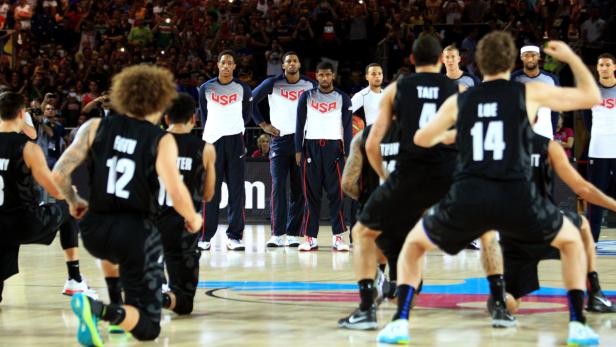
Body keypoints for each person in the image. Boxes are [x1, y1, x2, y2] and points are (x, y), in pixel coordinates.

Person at [377, 32, 601, 346]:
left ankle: (399, 322)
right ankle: (578, 324)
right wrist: (570, 57)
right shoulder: (529, 92)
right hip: (517, 196)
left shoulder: (460, 99)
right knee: (572, 241)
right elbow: (591, 97)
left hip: (469, 196)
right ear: (512, 62)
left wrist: (450, 136)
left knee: (413, 245)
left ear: (477, 64)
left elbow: (420, 140)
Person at [52, 65, 202, 345]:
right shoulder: (161, 139)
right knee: (148, 328)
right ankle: (101, 310)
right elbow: (176, 189)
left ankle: (116, 303)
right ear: (160, 100)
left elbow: (59, 173)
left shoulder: (94, 126)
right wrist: (193, 217)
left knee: (111, 253)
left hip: (94, 231)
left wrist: (73, 201)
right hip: (135, 234)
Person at [345, 35, 459, 329]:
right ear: (440, 61)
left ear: (411, 59)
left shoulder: (397, 88)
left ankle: (367, 310)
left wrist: (386, 178)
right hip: (446, 178)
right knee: (483, 235)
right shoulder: (454, 89)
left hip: (409, 176)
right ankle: (499, 300)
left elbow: (371, 143)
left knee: (362, 233)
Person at [482, 131, 616, 316]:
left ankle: (500, 302)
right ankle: (594, 292)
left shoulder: (493, 147)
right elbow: (583, 189)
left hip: (514, 234)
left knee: (508, 302)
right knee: (582, 224)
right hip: (546, 222)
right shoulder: (548, 146)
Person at [0, 92, 90, 304]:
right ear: (22, 113)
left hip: (0, 225)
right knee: (66, 206)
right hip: (24, 222)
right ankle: (74, 279)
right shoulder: (27, 147)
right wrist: (73, 195)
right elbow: (56, 190)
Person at [338, 120, 402, 330]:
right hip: (405, 210)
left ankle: (367, 306)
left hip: (375, 210)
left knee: (363, 238)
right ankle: (397, 294)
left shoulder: (364, 136)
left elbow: (347, 183)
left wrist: (366, 200)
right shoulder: (418, 135)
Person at [158, 93, 216, 316]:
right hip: (183, 226)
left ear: (166, 119)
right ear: (194, 118)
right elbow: (208, 195)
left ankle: (140, 296)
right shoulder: (206, 148)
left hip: (150, 224)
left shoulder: (153, 142)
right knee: (184, 304)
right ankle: (162, 298)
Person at [252, 51, 316, 247]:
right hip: (279, 141)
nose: (292, 63)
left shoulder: (310, 84)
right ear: (283, 65)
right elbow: (249, 101)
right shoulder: (272, 83)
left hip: (302, 143)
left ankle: (292, 234)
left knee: (299, 189)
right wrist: (263, 125)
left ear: (299, 65)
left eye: (295, 60)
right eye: (288, 61)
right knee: (278, 186)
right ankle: (277, 234)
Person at [295, 61, 352, 251]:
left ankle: (338, 237)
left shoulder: (343, 98)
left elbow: (348, 128)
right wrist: (297, 150)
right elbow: (299, 125)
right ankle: (310, 237)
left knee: (337, 194)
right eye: (321, 75)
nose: (324, 78)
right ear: (316, 76)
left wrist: (348, 152)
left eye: (328, 75)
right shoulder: (306, 96)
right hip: (311, 148)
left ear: (333, 76)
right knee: (311, 195)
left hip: (334, 148)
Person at [198, 50, 252, 251]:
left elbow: (246, 115)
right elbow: (203, 114)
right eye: (224, 62)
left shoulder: (243, 88)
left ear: (234, 66)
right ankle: (205, 236)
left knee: (237, 191)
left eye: (230, 63)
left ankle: (234, 236)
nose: (227, 66)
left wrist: (232, 126)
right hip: (212, 142)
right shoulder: (206, 88)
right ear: (218, 65)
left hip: (235, 141)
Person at [585, 53, 616, 242]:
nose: (603, 68)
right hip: (598, 150)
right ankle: (592, 239)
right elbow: (587, 120)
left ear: (614, 67)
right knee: (596, 197)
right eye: (600, 65)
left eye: (607, 65)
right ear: (597, 68)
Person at [511, 45, 561, 139]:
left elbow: (556, 108)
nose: (530, 59)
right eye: (526, 55)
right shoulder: (513, 78)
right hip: (520, 134)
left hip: (544, 132)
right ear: (521, 57)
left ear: (539, 57)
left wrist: (553, 132)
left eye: (533, 55)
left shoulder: (551, 79)